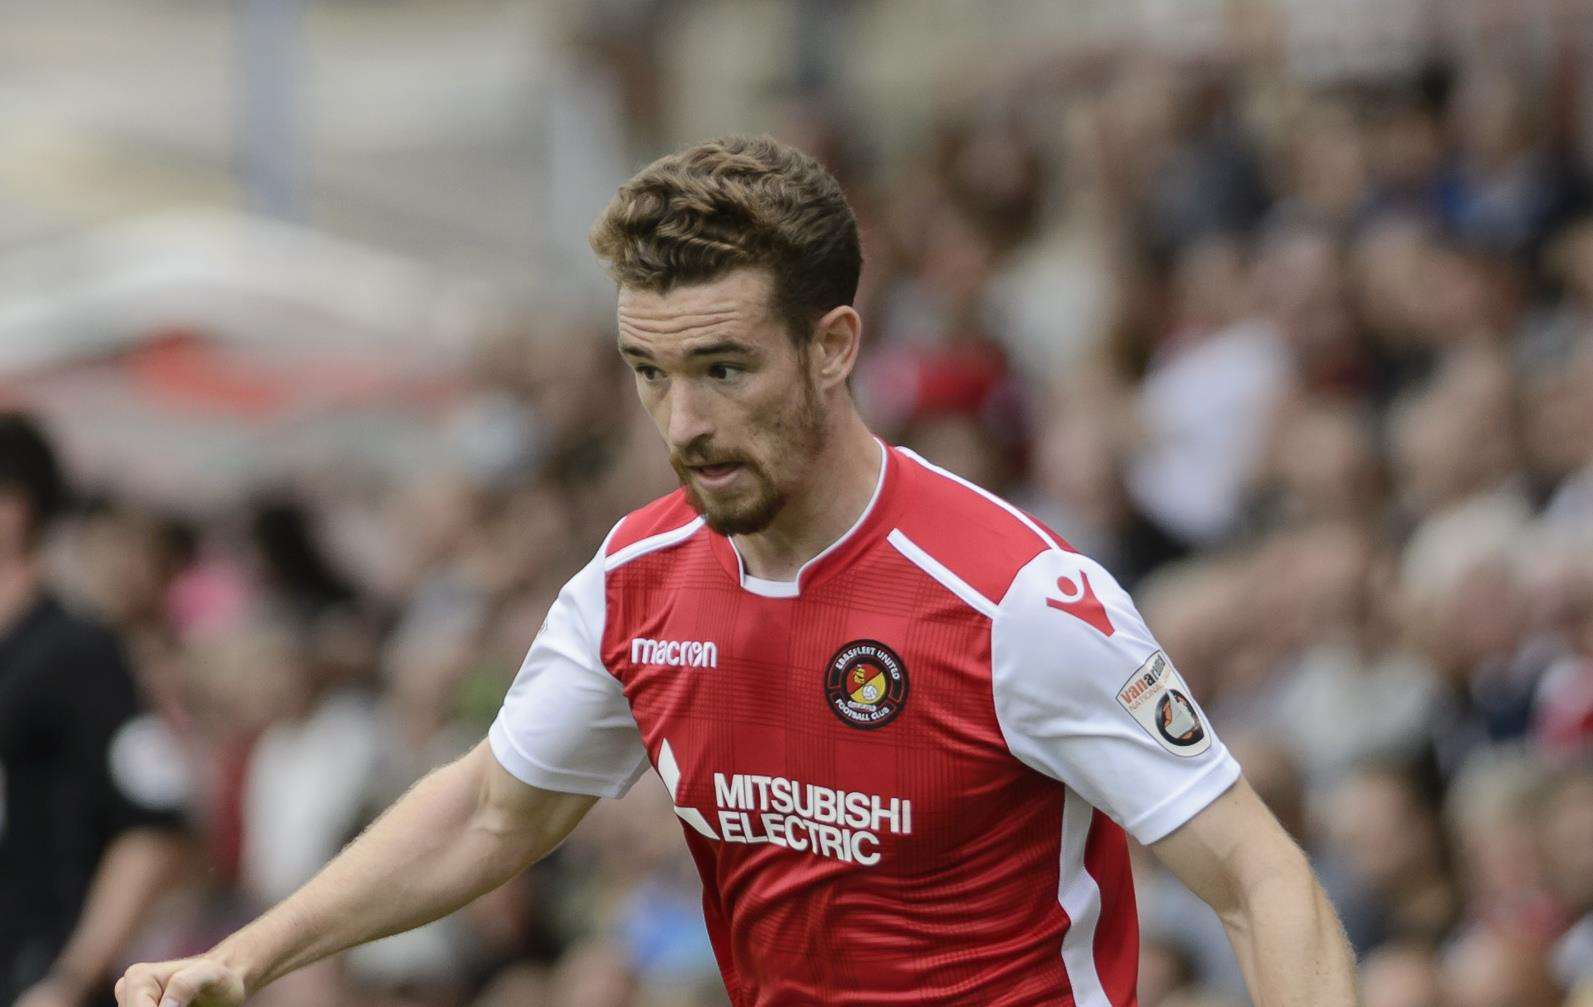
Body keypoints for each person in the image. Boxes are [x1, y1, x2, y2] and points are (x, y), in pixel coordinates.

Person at [116, 136, 1357, 1006]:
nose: (684, 421)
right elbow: (494, 807)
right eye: (649, 371)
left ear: (833, 346)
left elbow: (1261, 874)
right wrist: (256, 952)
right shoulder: (636, 580)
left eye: (723, 367)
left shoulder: (1018, 599)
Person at [0, 414, 188, 1007]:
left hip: (36, 973)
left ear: (14, 506)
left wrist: (70, 977)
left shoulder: (79, 652)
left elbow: (151, 826)